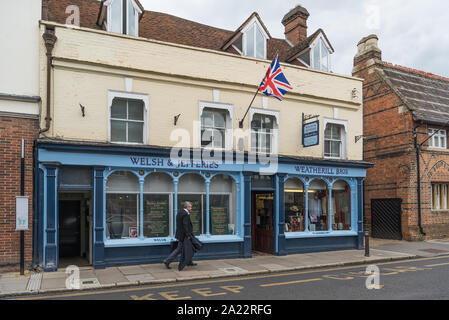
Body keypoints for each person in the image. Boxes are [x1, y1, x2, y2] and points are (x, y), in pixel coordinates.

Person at [163, 201, 197, 271]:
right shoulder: (185, 214)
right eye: (190, 207)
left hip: (180, 234)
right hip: (184, 235)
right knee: (179, 249)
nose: (191, 208)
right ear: (187, 207)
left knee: (189, 248)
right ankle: (167, 261)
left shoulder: (180, 212)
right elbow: (185, 225)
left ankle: (189, 261)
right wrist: (188, 235)